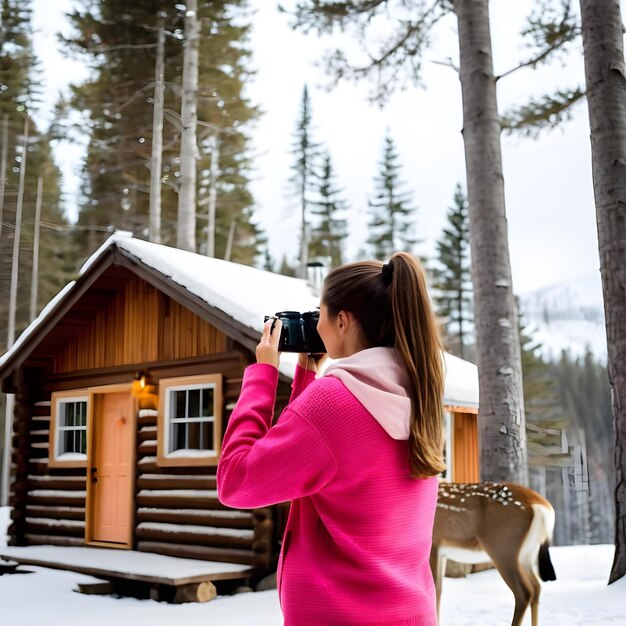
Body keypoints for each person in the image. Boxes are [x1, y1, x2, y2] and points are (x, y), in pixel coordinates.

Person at [217, 252, 445, 626]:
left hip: (338, 614)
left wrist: (262, 374)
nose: (317, 325)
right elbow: (320, 459)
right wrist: (308, 375)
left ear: (343, 320)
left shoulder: (334, 402)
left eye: (320, 313)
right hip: (409, 612)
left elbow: (237, 482)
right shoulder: (419, 390)